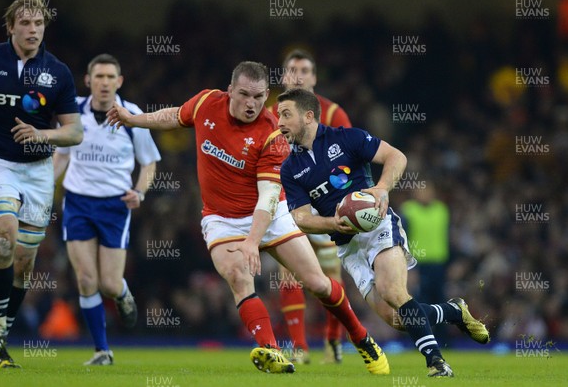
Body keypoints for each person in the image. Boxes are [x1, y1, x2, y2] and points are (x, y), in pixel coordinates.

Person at [106, 61, 389, 375]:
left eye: (258, 96)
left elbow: (268, 197)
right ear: (230, 91)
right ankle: (272, 351)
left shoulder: (272, 134)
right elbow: (173, 115)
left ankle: (362, 338)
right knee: (238, 277)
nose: (251, 104)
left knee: (318, 284)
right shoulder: (205, 103)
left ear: (266, 94)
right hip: (221, 219)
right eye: (243, 95)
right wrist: (134, 119)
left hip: (272, 214)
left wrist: (253, 241)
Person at [277, 88, 490, 378]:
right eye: (279, 116)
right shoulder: (290, 168)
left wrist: (381, 188)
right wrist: (332, 224)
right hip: (347, 246)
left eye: (286, 114)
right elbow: (301, 218)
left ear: (308, 115)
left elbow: (396, 157)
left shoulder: (347, 138)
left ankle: (436, 363)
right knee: (396, 318)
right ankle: (454, 311)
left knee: (393, 291)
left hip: (377, 224)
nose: (279, 122)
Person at [53, 54, 160, 365]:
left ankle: (123, 294)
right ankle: (102, 351)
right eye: (98, 76)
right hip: (77, 202)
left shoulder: (133, 116)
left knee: (109, 285)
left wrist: (139, 191)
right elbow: (61, 156)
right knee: (86, 279)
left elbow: (150, 162)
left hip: (114, 206)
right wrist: (44, 190)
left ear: (119, 81)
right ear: (88, 81)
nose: (104, 82)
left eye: (110, 77)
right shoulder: (72, 111)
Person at [0, 0, 83, 368]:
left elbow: (75, 132)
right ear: (11, 26)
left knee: (24, 263)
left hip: (38, 172)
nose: (33, 30)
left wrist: (42, 135)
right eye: (26, 23)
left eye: (39, 24)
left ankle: (0, 338)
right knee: (3, 237)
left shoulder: (58, 72)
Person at [268, 49, 352, 363]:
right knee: (288, 272)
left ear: (314, 77)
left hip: (327, 205)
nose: (299, 75)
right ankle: (300, 348)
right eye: (292, 69)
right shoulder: (271, 113)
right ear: (284, 76)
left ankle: (333, 343)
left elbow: (349, 162)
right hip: (289, 202)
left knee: (329, 275)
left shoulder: (333, 114)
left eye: (305, 69)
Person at [400, 183, 451, 344]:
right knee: (419, 301)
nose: (424, 194)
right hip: (418, 265)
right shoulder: (408, 210)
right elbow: (403, 239)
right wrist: (409, 267)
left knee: (441, 300)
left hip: (439, 264)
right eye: (421, 191)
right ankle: (419, 338)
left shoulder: (442, 210)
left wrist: (452, 263)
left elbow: (447, 236)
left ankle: (443, 341)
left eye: (427, 190)